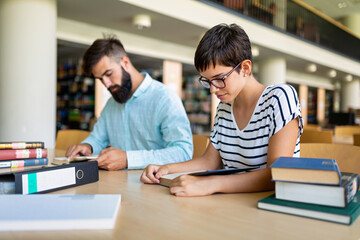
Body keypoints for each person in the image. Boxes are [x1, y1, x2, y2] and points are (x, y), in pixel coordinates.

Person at [141, 23, 303, 196]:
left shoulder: (280, 97)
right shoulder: (224, 108)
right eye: (208, 81)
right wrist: (165, 169)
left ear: (245, 68)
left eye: (219, 79)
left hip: (268, 206)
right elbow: (208, 162)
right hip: (230, 204)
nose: (213, 89)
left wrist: (210, 184)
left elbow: (276, 173)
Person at [66, 36, 193, 170]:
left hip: (152, 184)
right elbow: (98, 139)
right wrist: (88, 146)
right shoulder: (111, 104)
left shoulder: (164, 98)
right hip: (116, 183)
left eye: (108, 74)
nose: (106, 84)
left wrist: (128, 159)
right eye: (100, 79)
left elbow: (183, 152)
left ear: (125, 62)